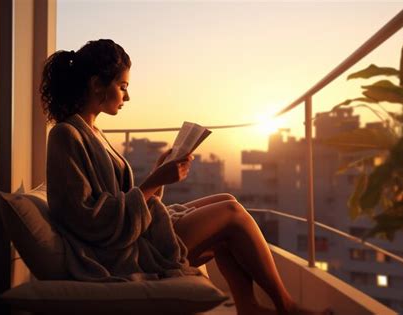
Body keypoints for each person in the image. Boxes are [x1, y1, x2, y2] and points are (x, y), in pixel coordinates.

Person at [40, 39, 332, 315]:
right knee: (231, 214)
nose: (127, 96)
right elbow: (90, 218)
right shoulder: (66, 135)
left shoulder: (92, 132)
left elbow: (119, 198)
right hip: (115, 251)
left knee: (227, 199)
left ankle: (248, 306)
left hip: (131, 231)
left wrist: (158, 172)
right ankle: (286, 307)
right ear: (96, 85)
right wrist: (156, 180)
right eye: (122, 86)